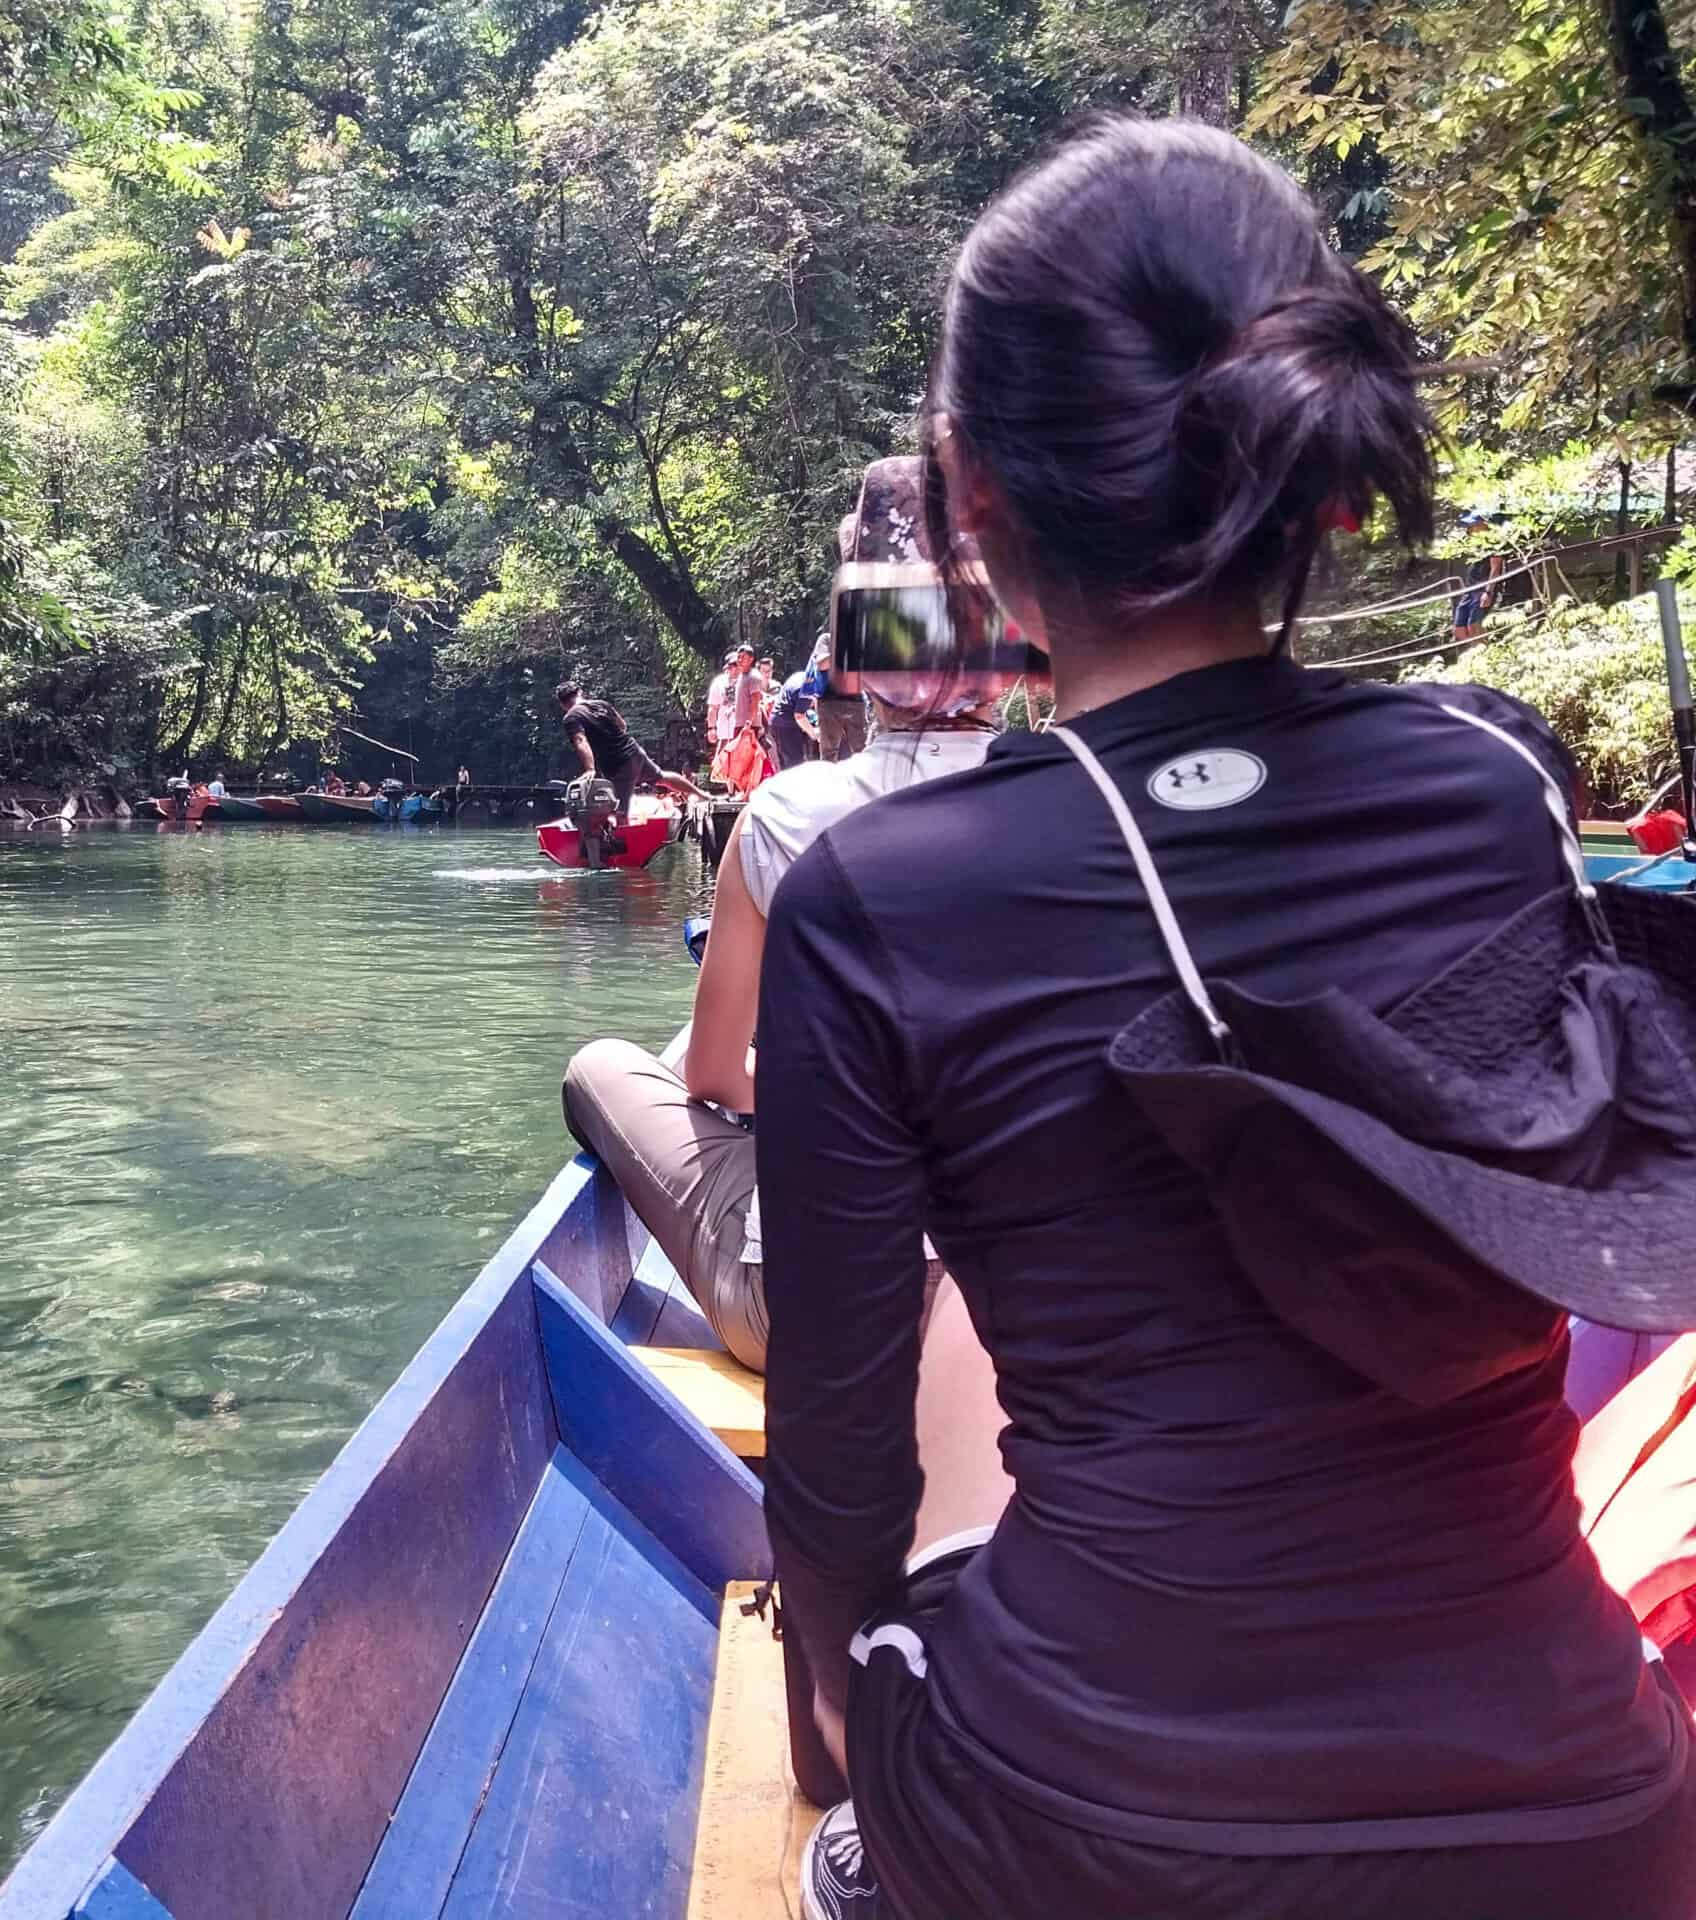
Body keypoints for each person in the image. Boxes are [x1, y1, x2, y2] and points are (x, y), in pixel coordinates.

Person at [768, 120, 1696, 1920]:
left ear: (971, 493)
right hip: (1592, 1816)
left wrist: (839, 1714)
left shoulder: (882, 900)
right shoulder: (1501, 781)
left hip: (1102, 1834)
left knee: (892, 1672)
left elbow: (840, 1462)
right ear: (1319, 470)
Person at [561, 481, 992, 1369]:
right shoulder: (1091, 806)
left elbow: (713, 1076)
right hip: (1011, 1315)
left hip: (812, 1312)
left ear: (857, 660)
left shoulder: (786, 813)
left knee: (598, 1069)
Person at [555, 681, 704, 812]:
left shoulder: (571, 717)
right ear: (580, 692)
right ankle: (704, 795)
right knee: (661, 777)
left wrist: (590, 769)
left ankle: (621, 841)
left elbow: (580, 740)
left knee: (618, 810)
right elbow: (622, 725)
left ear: (562, 704)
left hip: (619, 764)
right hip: (634, 750)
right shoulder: (601, 704)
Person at [1452, 510, 1507, 643]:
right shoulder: (1475, 545)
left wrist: (1488, 592)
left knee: (1474, 625)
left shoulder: (1494, 543)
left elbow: (1496, 568)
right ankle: (1476, 650)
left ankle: (1484, 653)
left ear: (1483, 525)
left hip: (1483, 589)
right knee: (1459, 629)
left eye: (1473, 525)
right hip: (1470, 589)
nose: (1469, 529)